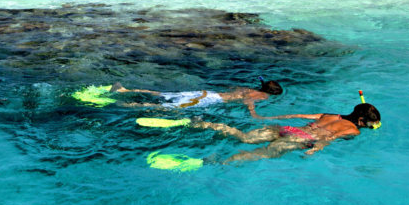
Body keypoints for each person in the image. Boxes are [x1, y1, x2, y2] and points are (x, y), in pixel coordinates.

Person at [190, 103, 381, 163]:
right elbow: (330, 137)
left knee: (244, 137)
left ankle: (205, 124)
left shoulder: (329, 115)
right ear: (362, 121)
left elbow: (297, 115)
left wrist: (269, 119)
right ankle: (218, 162)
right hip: (302, 139)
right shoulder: (353, 130)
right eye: (371, 125)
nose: (371, 128)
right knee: (261, 153)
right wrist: (315, 149)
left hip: (290, 130)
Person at [110, 78, 283, 117]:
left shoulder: (247, 88)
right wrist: (254, 114)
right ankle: (131, 105)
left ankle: (124, 90)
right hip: (210, 100)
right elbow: (248, 100)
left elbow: (234, 90)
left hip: (207, 92)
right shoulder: (261, 96)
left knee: (166, 95)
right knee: (173, 107)